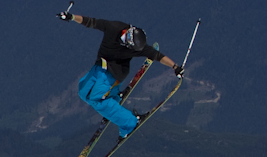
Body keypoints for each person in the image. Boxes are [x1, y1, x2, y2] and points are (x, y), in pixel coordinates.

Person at [59, 11, 184, 139]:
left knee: (96, 99)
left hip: (114, 73)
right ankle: (113, 98)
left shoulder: (138, 47)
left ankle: (130, 123)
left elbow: (157, 55)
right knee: (83, 92)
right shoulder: (114, 27)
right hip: (100, 67)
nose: (126, 46)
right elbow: (92, 22)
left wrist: (175, 67)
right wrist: (72, 17)